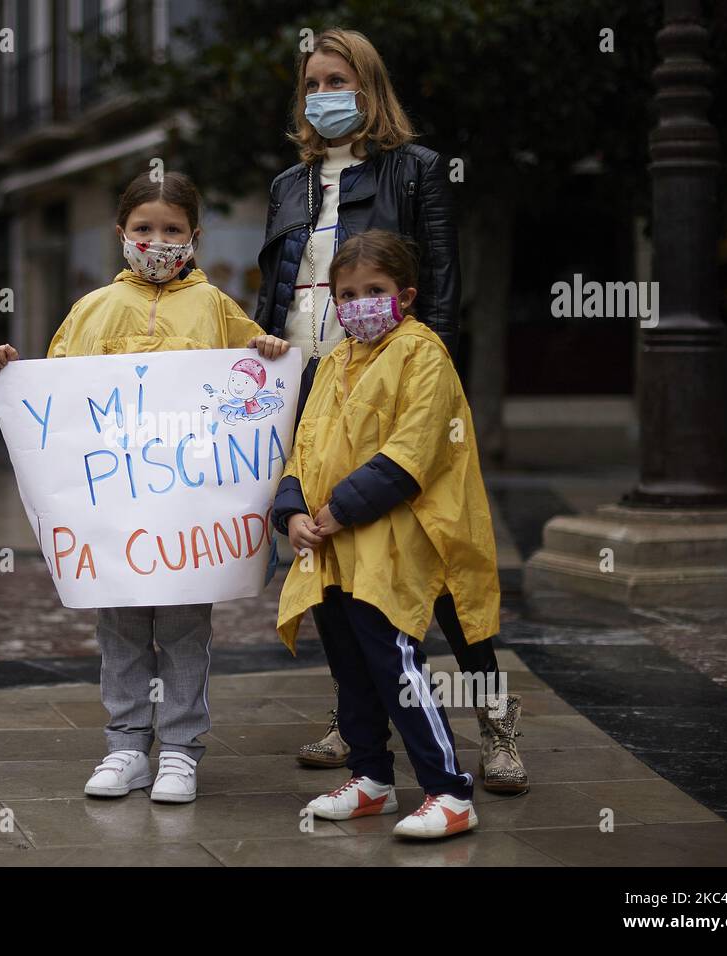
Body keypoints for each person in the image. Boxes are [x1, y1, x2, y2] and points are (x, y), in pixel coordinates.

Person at [256, 27, 525, 791]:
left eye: (335, 79)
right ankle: (357, 723)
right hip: (312, 389)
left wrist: (422, 385)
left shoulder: (418, 170)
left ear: (368, 86)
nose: (321, 95)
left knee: (437, 563)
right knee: (339, 562)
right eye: (310, 83)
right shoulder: (287, 186)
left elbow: (439, 286)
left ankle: (497, 721)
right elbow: (273, 300)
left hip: (399, 388)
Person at [0, 171, 289, 804]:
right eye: (144, 229)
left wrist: (267, 350)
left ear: (195, 237)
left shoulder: (215, 309)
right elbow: (58, 404)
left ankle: (179, 750)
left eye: (172, 230)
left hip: (187, 519)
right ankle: (126, 747)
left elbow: (252, 387)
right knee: (119, 629)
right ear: (121, 234)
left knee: (184, 630)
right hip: (114, 519)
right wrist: (12, 371)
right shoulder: (93, 310)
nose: (158, 240)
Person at [274, 231, 500, 838]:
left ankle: (449, 791)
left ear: (406, 294)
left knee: (396, 660)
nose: (359, 303)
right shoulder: (333, 362)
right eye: (347, 294)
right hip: (329, 541)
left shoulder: (422, 354)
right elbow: (304, 445)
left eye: (374, 291)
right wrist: (292, 511)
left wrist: (339, 511)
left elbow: (413, 452)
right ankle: (371, 776)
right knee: (350, 665)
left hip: (391, 536)